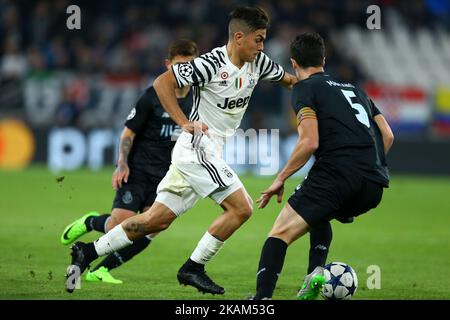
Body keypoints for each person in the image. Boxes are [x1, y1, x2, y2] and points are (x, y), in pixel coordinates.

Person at [65, 6, 298, 295]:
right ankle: (194, 267)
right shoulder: (211, 63)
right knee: (242, 207)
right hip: (198, 150)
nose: (262, 46)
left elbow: (289, 81)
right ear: (239, 37)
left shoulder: (258, 63)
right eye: (258, 39)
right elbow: (162, 82)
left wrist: (320, 88)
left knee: (154, 221)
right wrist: (183, 121)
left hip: (202, 153)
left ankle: (87, 251)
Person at [252, 32, 394, 300]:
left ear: (293, 63)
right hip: (373, 186)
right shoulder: (355, 89)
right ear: (324, 60)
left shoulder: (304, 89)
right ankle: (312, 281)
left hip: (337, 176)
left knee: (279, 232)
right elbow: (387, 135)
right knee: (320, 213)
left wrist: (280, 178)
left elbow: (309, 142)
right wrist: (369, 168)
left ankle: (262, 300)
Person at [60, 39, 198, 284]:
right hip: (137, 171)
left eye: (189, 66)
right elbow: (128, 132)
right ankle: (91, 221)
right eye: (179, 65)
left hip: (166, 175)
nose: (184, 72)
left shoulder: (198, 99)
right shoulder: (152, 95)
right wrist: (122, 163)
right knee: (121, 225)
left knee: (152, 228)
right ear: (168, 65)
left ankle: (101, 270)